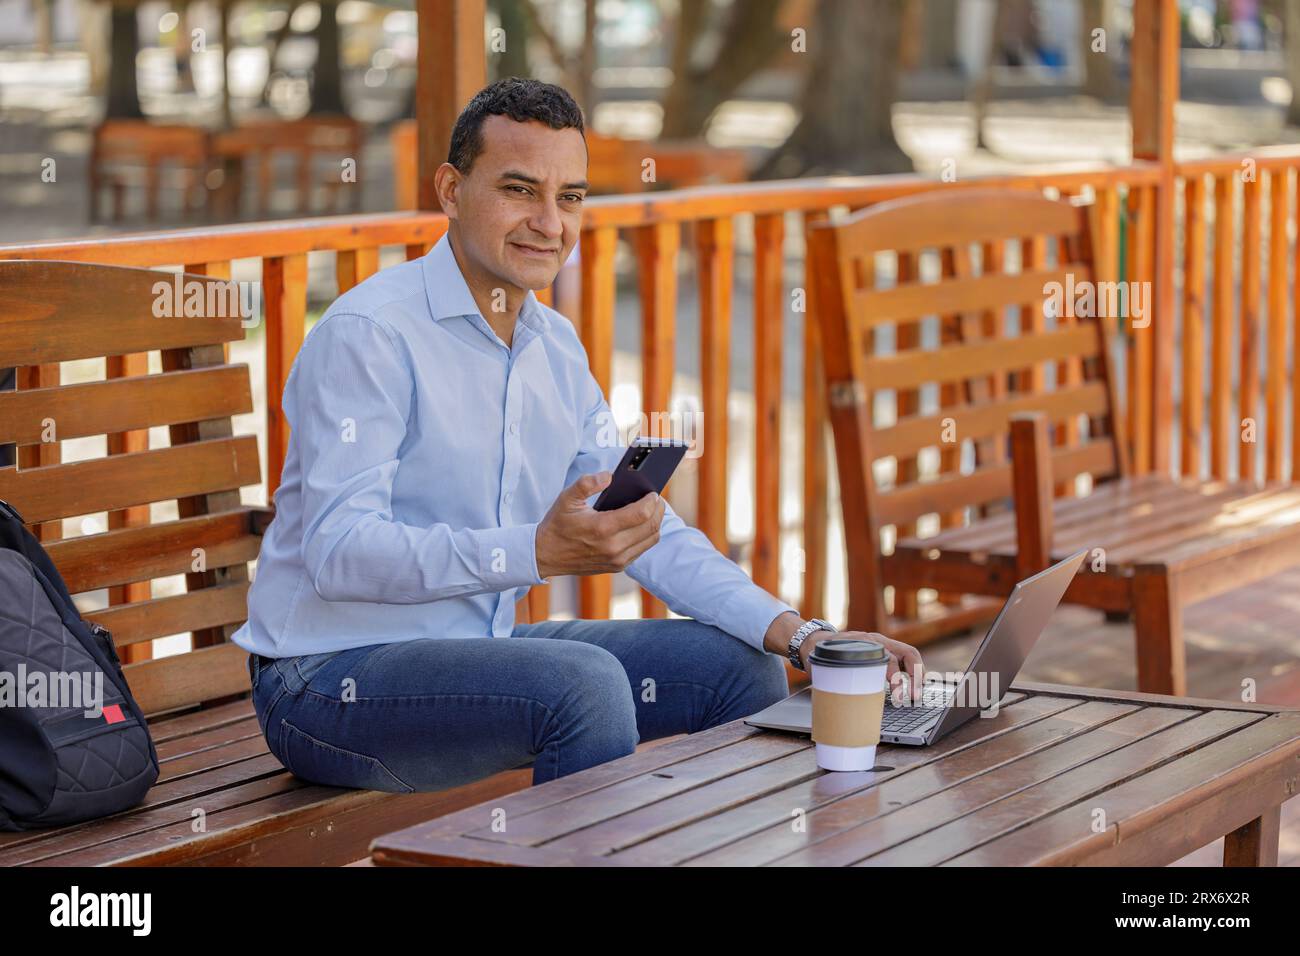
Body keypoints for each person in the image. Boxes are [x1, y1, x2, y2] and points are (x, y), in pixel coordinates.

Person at [232, 77, 924, 793]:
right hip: (326, 680)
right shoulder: (369, 335)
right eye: (519, 190)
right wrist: (533, 550)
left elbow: (643, 527)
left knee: (737, 662)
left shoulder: (552, 346)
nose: (549, 222)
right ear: (450, 189)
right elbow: (339, 552)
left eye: (570, 198)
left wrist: (803, 634)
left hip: (477, 653)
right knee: (582, 684)